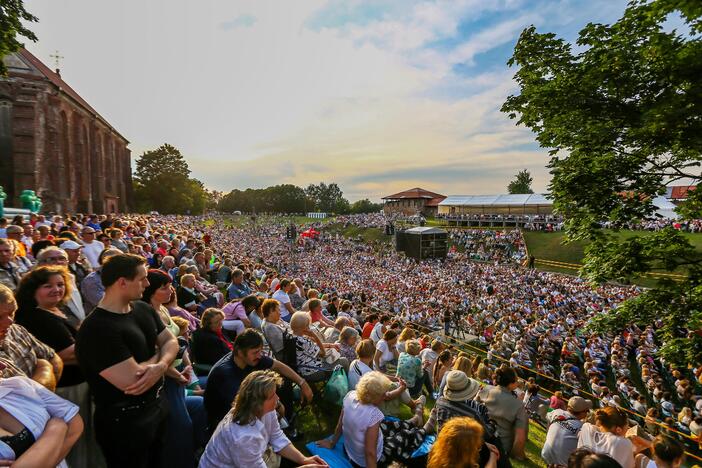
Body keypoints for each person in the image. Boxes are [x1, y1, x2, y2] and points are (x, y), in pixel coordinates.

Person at [75, 253, 179, 468]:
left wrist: (159, 365)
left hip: (156, 408)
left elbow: (172, 341)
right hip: (125, 423)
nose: (148, 283)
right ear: (122, 282)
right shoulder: (96, 329)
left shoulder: (142, 308)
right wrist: (163, 358)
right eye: (142, 279)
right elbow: (133, 381)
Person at [142, 269, 206, 468]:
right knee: (180, 427)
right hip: (166, 378)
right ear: (151, 290)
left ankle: (200, 451)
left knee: (200, 406)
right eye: (164, 287)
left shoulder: (162, 309)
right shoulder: (147, 314)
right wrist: (177, 374)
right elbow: (155, 354)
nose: (171, 290)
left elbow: (176, 344)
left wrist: (185, 367)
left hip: (178, 374)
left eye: (170, 285)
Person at [199, 370, 327, 468]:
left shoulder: (263, 409)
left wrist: (303, 460)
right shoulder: (243, 437)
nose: (277, 399)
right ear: (257, 403)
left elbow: (276, 436)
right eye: (272, 396)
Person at [204, 329, 313, 431]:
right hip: (226, 422)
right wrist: (278, 405)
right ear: (240, 352)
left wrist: (302, 383)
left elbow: (278, 366)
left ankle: (286, 424)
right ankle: (278, 427)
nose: (260, 355)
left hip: (245, 408)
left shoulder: (251, 358)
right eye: (256, 352)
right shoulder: (225, 374)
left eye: (260, 351)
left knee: (283, 383)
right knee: (267, 397)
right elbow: (242, 407)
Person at [316, 371, 426, 467]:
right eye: (383, 395)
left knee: (387, 424)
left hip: (349, 451)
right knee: (405, 436)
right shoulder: (373, 414)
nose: (385, 397)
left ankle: (415, 420)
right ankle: (425, 428)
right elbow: (370, 453)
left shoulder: (350, 396)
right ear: (372, 397)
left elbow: (341, 424)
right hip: (363, 462)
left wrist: (332, 443)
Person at [0, 360, 84, 468]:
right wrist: (57, 427)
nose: (4, 365)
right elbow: (65, 423)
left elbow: (74, 424)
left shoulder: (18, 385)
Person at [0, 284, 63, 391]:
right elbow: (24, 401)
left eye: (12, 313)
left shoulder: (16, 330)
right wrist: (44, 368)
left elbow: (53, 358)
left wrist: (44, 370)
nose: (10, 322)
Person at [478, 366, 528, 460]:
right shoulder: (518, 405)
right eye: (516, 380)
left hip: (480, 438)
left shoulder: (486, 389)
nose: (517, 382)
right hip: (500, 447)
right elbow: (520, 437)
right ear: (510, 384)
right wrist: (518, 455)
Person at [289, 311, 348, 381]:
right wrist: (315, 336)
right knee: (344, 361)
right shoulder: (304, 342)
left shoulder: (290, 336)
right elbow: (323, 353)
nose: (309, 328)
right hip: (313, 372)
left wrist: (330, 345)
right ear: (304, 328)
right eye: (308, 325)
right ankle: (347, 384)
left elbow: (313, 346)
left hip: (302, 369)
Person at [427, 416, 500, 468]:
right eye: (477, 447)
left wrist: (481, 443)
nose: (479, 448)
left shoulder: (434, 452)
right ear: (464, 453)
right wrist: (493, 456)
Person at [542, 396, 594, 467]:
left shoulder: (557, 412)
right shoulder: (582, 427)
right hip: (563, 464)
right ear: (582, 412)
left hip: (545, 454)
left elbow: (546, 416)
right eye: (587, 411)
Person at [190, 308, 233, 372]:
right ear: (207, 324)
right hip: (217, 367)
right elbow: (220, 360)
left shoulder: (217, 329)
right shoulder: (208, 339)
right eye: (217, 322)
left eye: (221, 320)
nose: (220, 323)